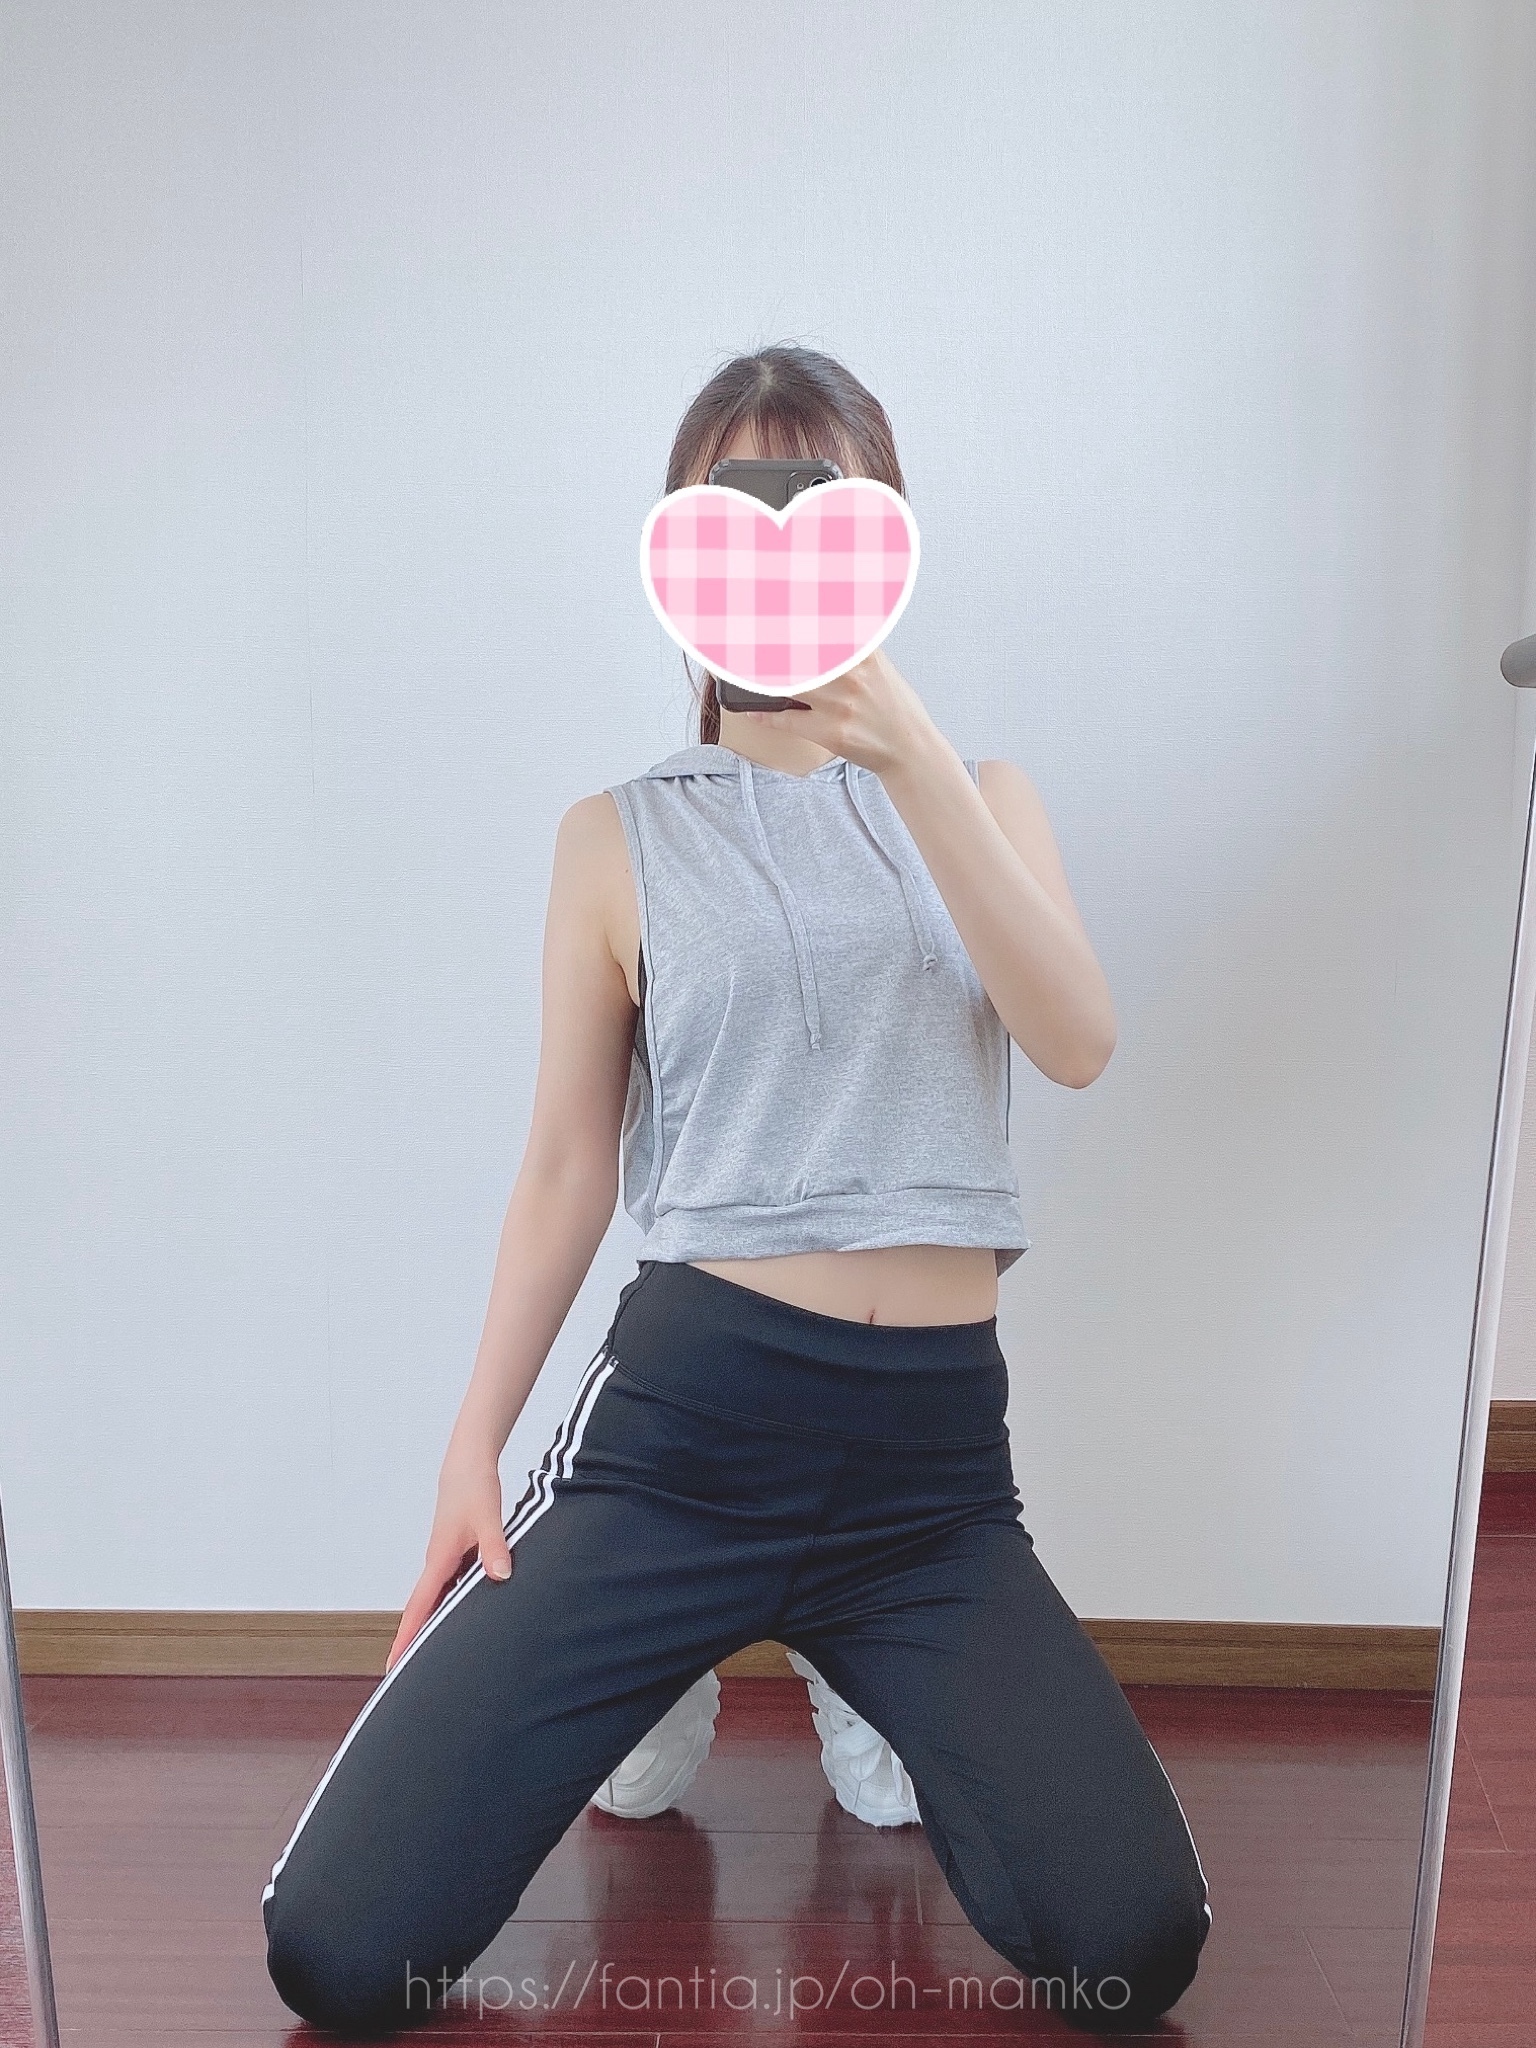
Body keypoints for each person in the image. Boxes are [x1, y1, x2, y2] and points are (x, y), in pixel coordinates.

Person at [263, 344, 1211, 2035]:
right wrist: (474, 1445)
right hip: (687, 1441)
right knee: (336, 1953)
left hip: (927, 1484)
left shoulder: (981, 797)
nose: (778, 554)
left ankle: (855, 1659)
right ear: (680, 559)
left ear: (886, 538)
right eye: (735, 516)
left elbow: (1076, 1040)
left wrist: (911, 758)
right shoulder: (617, 835)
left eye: (821, 509)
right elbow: (568, 1163)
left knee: (1134, 1952)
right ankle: (672, 1662)